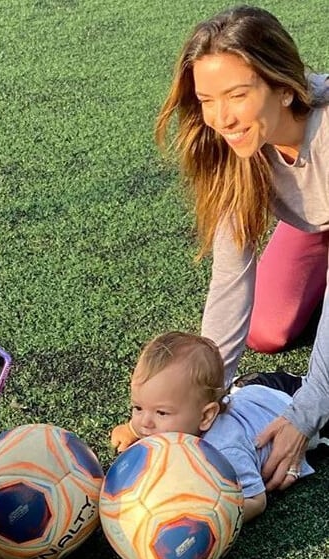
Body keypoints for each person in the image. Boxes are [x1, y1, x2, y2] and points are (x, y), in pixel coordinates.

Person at [154, 5, 329, 491]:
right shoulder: (233, 151)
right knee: (267, 331)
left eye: (237, 95)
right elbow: (231, 276)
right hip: (316, 221)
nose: (220, 117)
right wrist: (200, 401)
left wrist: (306, 412)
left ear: (285, 88)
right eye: (207, 99)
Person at [110, 332, 320, 523]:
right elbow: (146, 423)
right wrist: (132, 430)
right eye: (138, 407)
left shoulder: (224, 453)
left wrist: (214, 516)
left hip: (286, 403)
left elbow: (256, 500)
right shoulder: (160, 426)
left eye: (161, 413)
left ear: (206, 417)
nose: (145, 422)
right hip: (252, 390)